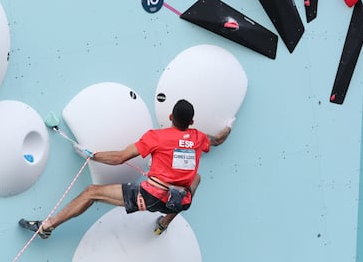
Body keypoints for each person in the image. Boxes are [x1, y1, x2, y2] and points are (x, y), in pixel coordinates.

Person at [19, 99, 234, 239]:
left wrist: (92, 155)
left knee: (91, 193)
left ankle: (47, 227)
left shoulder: (156, 137)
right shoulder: (199, 138)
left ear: (170, 117)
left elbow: (120, 157)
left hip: (151, 197)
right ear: (192, 122)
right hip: (179, 202)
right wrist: (230, 123)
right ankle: (164, 223)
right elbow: (220, 139)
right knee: (195, 179)